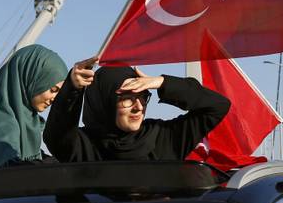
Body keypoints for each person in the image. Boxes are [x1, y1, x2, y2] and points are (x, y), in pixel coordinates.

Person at [44, 57, 230, 162]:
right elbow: (55, 135)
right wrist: (72, 88)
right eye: (127, 98)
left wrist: (162, 82)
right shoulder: (82, 146)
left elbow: (218, 106)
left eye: (142, 97)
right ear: (104, 102)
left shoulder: (163, 138)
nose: (138, 107)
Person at [0, 44, 68, 170]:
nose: (55, 98)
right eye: (53, 90)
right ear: (31, 79)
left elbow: (31, 161)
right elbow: (9, 169)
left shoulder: (27, 121)